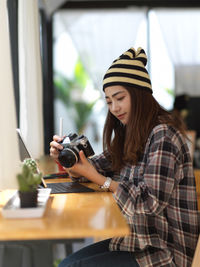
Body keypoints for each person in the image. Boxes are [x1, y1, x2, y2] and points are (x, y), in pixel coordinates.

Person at [50, 47, 199, 267]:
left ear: (140, 95)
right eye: (109, 101)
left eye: (119, 98)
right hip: (136, 241)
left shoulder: (164, 135)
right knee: (68, 263)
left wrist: (99, 178)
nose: (115, 108)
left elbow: (148, 204)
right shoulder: (131, 134)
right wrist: (69, 159)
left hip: (163, 253)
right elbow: (94, 167)